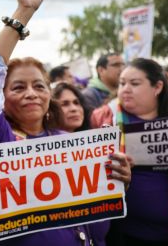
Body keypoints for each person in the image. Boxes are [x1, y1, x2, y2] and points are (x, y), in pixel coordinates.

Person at [0, 0, 131, 245]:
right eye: (18, 87)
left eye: (39, 86)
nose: (31, 93)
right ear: (2, 98)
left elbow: (100, 224)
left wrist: (118, 181)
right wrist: (24, 13)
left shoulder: (71, 143)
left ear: (48, 95)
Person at [92, 58, 168, 246]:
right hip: (124, 234)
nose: (125, 89)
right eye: (122, 83)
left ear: (157, 87)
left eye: (135, 83)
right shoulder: (104, 119)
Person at [52, 82, 131, 246]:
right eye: (65, 104)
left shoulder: (97, 149)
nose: (74, 108)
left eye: (76, 102)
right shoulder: (42, 156)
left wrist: (121, 183)